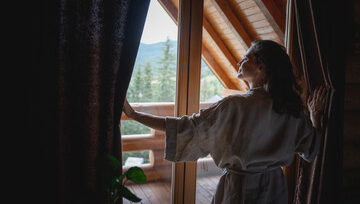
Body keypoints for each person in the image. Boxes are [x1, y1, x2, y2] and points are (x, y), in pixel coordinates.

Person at [122, 40, 327, 204]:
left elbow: (185, 126)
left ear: (260, 67)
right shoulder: (290, 108)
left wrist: (135, 115)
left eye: (246, 58)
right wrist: (315, 116)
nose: (239, 62)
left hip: (239, 190)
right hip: (276, 189)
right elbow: (311, 151)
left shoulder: (234, 105)